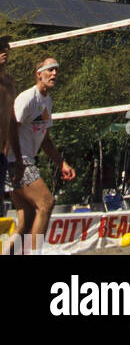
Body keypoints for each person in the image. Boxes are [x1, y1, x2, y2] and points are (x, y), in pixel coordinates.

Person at [8, 55, 75, 249]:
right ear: (39, 74)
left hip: (24, 161)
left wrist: (61, 163)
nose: (54, 73)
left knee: (26, 222)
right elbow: (9, 128)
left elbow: (45, 139)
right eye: (50, 69)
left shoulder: (47, 101)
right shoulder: (27, 98)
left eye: (56, 70)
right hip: (17, 161)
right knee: (46, 202)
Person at [0, 35, 22, 199]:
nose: (4, 51)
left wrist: (16, 156)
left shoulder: (9, 82)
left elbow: (11, 121)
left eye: (5, 47)